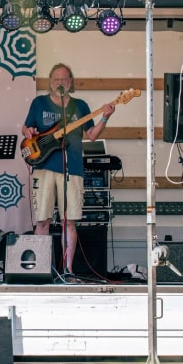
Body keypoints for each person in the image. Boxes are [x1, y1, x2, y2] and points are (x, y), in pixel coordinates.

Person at [21, 63, 114, 278]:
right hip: (43, 167)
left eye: (64, 79)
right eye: (56, 79)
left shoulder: (79, 106)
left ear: (70, 82)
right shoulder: (39, 103)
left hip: (72, 168)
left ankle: (68, 270)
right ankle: (39, 270)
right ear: (50, 82)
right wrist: (29, 131)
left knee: (69, 220)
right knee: (42, 219)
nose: (59, 83)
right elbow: (26, 129)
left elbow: (91, 135)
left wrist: (106, 117)